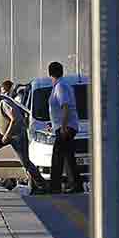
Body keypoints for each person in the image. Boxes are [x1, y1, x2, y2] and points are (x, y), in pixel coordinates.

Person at [43, 62, 83, 195]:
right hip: (65, 125)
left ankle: (55, 186)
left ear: (50, 73)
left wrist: (63, 127)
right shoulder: (62, 85)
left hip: (66, 127)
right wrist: (53, 124)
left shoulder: (60, 86)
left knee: (57, 156)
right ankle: (76, 184)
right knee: (68, 156)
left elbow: (65, 107)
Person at [0, 84, 32, 187]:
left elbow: (14, 119)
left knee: (25, 161)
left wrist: (7, 135)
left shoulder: (4, 103)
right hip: (3, 133)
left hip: (16, 134)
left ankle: (40, 183)